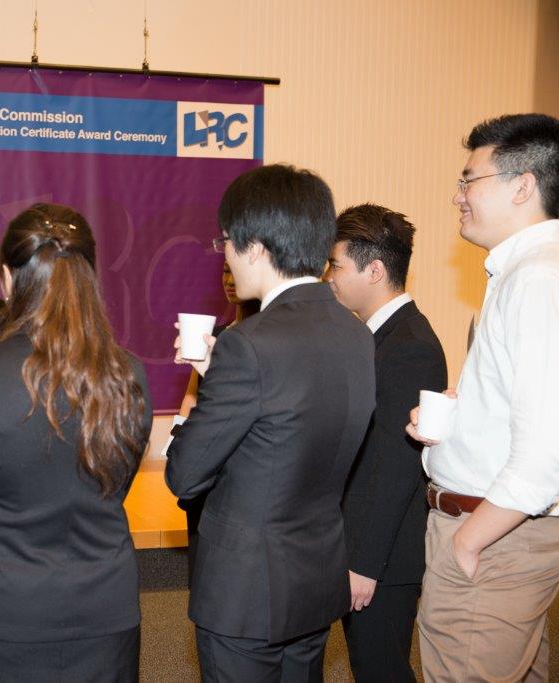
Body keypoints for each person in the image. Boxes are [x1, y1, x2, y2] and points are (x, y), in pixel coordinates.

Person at [165, 164, 376, 681]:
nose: (227, 257)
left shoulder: (249, 343)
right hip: (315, 574)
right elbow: (287, 428)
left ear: (255, 246)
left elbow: (184, 475)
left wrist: (215, 384)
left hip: (245, 591)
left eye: (227, 243)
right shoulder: (356, 333)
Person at [0, 203, 153, 682]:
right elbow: (114, 485)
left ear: (7, 280)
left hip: (3, 605)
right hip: (103, 603)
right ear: (89, 278)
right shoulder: (128, 373)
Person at [406, 113, 559, 681]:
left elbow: (547, 452)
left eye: (469, 180)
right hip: (504, 536)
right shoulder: (522, 272)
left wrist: (468, 543)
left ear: (523, 185)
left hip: (494, 539)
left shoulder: (536, 278)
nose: (457, 196)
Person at [324, 204, 447, 682]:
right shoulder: (377, 336)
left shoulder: (409, 344)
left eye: (336, 264)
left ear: (374, 270)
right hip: (363, 544)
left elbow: (395, 467)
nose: (328, 276)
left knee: (382, 670)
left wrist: (363, 563)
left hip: (383, 557)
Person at [169, 260, 260, 577]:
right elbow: (193, 395)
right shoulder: (216, 334)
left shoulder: (257, 340)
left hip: (235, 468)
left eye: (236, 272)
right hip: (202, 459)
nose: (230, 280)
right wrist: (176, 444)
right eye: (224, 271)